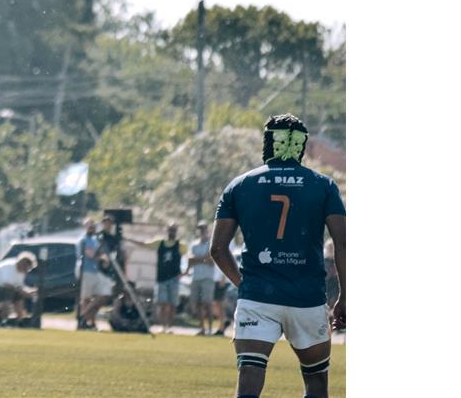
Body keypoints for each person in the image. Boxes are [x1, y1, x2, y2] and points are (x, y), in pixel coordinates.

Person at [210, 114, 345, 398]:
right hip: (306, 298)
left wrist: (243, 284)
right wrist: (345, 296)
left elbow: (218, 250)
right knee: (316, 383)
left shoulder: (240, 185)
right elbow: (343, 243)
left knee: (249, 380)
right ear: (301, 145)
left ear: (269, 142)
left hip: (257, 297)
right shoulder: (324, 186)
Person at [127, 223, 184, 331]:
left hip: (174, 278)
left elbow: (189, 258)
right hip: (161, 278)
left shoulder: (180, 245)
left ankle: (170, 326)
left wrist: (185, 272)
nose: (171, 232)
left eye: (173, 230)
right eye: (170, 230)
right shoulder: (160, 243)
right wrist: (129, 239)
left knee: (172, 304)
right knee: (162, 304)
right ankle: (163, 327)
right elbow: (144, 244)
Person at [78, 217, 115, 330]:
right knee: (86, 298)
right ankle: (87, 322)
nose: (92, 228)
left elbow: (101, 253)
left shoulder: (95, 240)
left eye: (93, 226)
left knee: (103, 296)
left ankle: (85, 318)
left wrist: (105, 259)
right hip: (86, 271)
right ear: (85, 227)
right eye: (89, 226)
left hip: (96, 271)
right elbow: (91, 254)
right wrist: (102, 258)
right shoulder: (83, 240)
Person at [0, 251, 38, 325]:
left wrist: (29, 291)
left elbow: (19, 286)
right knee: (8, 293)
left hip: (1, 288)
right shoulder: (10, 266)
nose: (27, 271)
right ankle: (3, 320)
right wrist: (22, 291)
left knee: (19, 296)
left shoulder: (21, 271)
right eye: (27, 268)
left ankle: (20, 321)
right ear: (22, 263)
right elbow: (7, 284)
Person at [187, 221, 217, 335]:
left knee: (207, 303)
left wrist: (197, 259)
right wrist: (203, 258)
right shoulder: (194, 244)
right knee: (198, 304)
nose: (202, 231)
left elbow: (211, 261)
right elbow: (190, 259)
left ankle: (209, 328)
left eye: (203, 229)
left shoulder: (211, 243)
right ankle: (202, 328)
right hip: (196, 277)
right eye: (200, 229)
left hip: (207, 278)